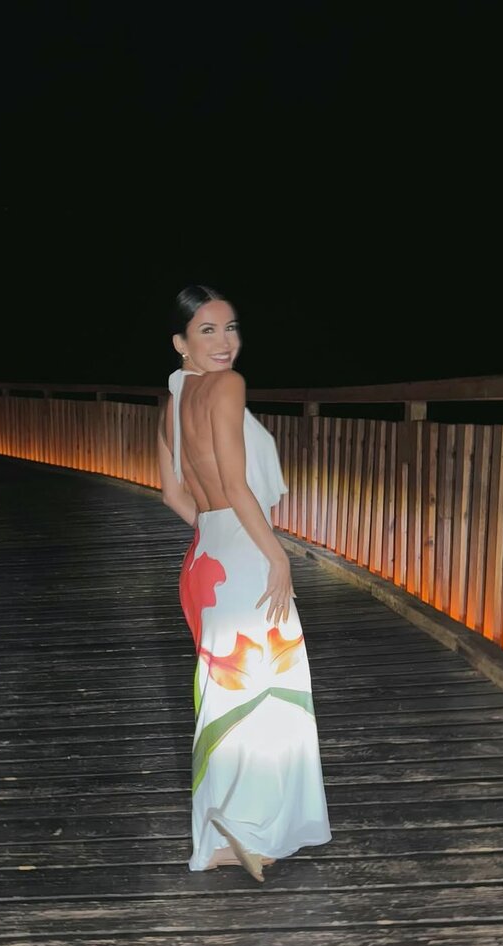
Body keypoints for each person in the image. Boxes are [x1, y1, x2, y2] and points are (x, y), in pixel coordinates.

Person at [158, 285, 331, 883]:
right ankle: (253, 829)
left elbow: (173, 494)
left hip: (206, 555)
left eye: (230, 328)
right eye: (207, 330)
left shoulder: (171, 403)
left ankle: (220, 834)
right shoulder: (228, 387)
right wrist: (275, 555)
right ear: (181, 342)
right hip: (244, 552)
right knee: (268, 695)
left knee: (226, 694)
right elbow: (236, 485)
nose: (225, 342)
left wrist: (217, 535)